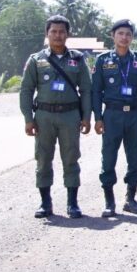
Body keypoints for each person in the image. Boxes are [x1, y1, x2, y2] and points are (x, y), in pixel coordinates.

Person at [19, 14, 92, 218]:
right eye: (54, 31)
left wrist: (86, 117)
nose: (58, 35)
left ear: (68, 34)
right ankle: (45, 203)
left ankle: (72, 204)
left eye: (62, 32)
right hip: (44, 116)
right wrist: (28, 118)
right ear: (47, 34)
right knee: (43, 158)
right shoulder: (36, 59)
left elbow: (86, 90)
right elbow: (26, 90)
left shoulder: (78, 59)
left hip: (70, 115)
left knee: (71, 158)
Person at [91, 19, 137, 217]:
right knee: (108, 157)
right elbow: (96, 91)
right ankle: (109, 201)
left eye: (128, 34)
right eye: (121, 33)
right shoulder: (103, 60)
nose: (124, 37)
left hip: (134, 114)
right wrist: (98, 117)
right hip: (112, 115)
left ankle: (131, 199)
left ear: (132, 37)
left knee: (135, 157)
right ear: (113, 36)